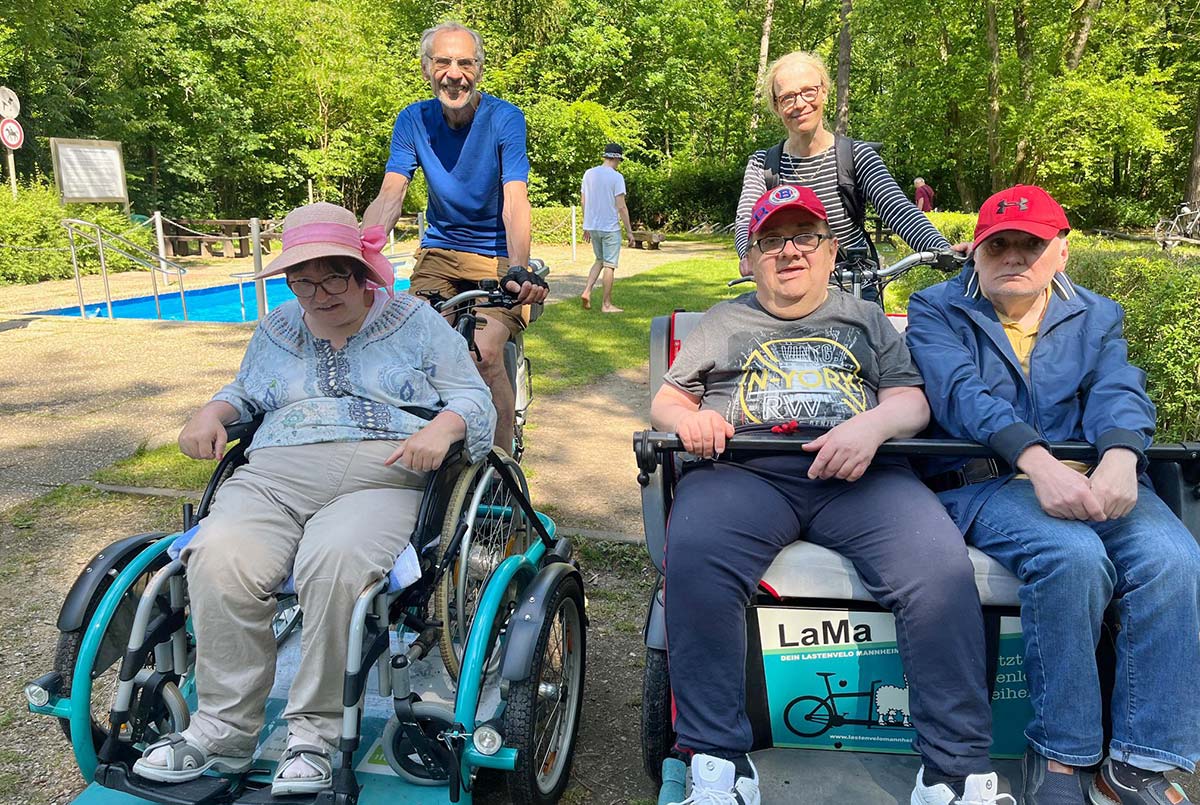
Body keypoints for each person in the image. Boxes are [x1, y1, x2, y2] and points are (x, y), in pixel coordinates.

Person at [653, 184, 1010, 805]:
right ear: (750, 257)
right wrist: (691, 419)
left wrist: (872, 427)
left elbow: (910, 400)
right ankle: (719, 764)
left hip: (862, 473)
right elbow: (669, 398)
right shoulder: (723, 321)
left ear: (830, 248)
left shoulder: (865, 320)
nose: (789, 251)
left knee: (937, 566)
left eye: (805, 237)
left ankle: (953, 776)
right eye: (771, 240)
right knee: (698, 555)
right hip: (745, 470)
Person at [132, 202, 496, 796]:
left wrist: (443, 427)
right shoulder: (278, 326)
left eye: (334, 279)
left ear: (364, 273)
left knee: (336, 562)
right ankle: (221, 733)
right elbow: (245, 391)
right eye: (303, 282)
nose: (320, 295)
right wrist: (211, 412)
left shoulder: (415, 321)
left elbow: (472, 396)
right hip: (275, 473)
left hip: (382, 473)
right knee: (219, 556)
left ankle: (313, 737)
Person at [905, 185, 1200, 805]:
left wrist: (1121, 456)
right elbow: (958, 395)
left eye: (1031, 244)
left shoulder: (1097, 314)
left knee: (1173, 557)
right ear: (975, 253)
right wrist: (1039, 464)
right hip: (984, 480)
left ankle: (1141, 761)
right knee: (1071, 555)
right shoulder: (936, 308)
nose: (1013, 256)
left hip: (1088, 474)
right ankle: (1061, 754)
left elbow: (1118, 389)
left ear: (1061, 251)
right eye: (998, 245)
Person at [362, 21, 548, 451]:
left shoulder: (504, 118)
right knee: (412, 348)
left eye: (465, 63)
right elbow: (391, 193)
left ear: (479, 69)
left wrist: (520, 267)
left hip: (495, 255)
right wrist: (363, 252)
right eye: (443, 62)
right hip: (439, 253)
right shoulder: (413, 120)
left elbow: (515, 198)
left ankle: (500, 464)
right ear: (426, 67)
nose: (454, 74)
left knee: (483, 354)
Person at [734, 51, 951, 278]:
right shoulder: (762, 164)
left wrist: (942, 249)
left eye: (809, 91)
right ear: (776, 106)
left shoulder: (856, 155)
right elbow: (747, 219)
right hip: (792, 280)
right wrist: (747, 254)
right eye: (788, 97)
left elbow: (897, 209)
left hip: (854, 280)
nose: (800, 104)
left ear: (824, 92)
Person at [579, 142, 635, 313]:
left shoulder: (588, 174)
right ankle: (606, 304)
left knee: (599, 260)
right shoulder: (616, 177)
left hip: (593, 226)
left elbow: (583, 201)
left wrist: (586, 225)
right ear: (616, 159)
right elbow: (621, 206)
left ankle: (587, 291)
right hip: (610, 227)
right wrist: (629, 231)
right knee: (609, 265)